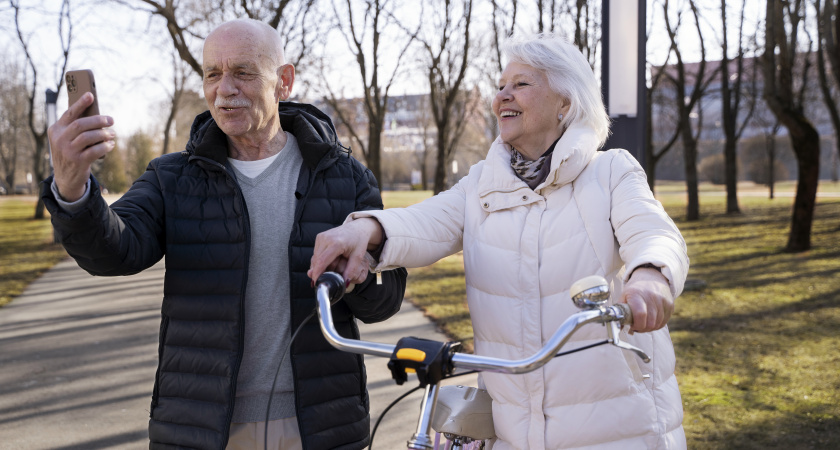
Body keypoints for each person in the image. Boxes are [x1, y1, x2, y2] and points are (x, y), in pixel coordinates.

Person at [308, 33, 689, 450]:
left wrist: (651, 276)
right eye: (500, 86)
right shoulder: (482, 186)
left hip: (618, 428)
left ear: (566, 103)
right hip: (514, 430)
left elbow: (653, 232)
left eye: (521, 84)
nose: (503, 96)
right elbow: (424, 222)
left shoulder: (611, 172)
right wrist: (364, 231)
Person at [41, 18, 407, 450]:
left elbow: (385, 301)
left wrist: (361, 276)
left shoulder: (344, 177)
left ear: (283, 81)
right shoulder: (172, 177)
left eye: (243, 72)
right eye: (212, 74)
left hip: (320, 426)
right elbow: (113, 251)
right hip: (202, 427)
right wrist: (71, 189)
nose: (224, 88)